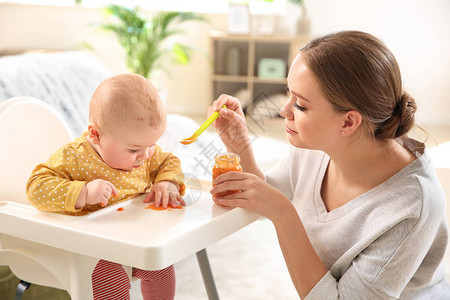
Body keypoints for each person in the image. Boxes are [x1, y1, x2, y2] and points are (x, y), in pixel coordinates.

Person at [209, 30, 450, 299]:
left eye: (300, 105)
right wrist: (238, 141)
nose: (283, 111)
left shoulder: (411, 207)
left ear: (348, 122)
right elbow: (267, 194)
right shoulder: (317, 146)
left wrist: (284, 215)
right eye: (289, 94)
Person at [26, 73, 185, 300]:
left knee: (161, 267)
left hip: (133, 237)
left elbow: (168, 161)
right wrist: (83, 192)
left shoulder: (145, 151)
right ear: (96, 135)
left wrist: (165, 182)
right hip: (88, 248)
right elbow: (36, 188)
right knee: (112, 282)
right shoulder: (74, 157)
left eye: (152, 145)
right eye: (133, 150)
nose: (145, 155)